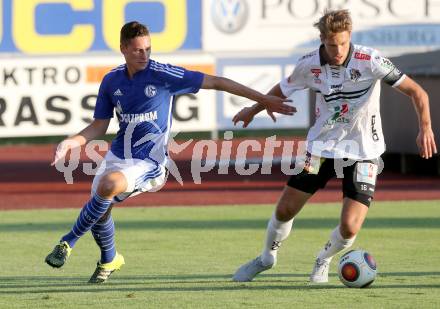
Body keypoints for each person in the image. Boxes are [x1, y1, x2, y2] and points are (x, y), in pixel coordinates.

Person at [45, 21, 294, 283]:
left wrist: (264, 100)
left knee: (106, 187)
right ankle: (110, 259)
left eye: (148, 49)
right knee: (99, 209)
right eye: (138, 50)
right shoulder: (111, 81)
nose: (145, 55)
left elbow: (217, 81)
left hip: (149, 161)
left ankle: (67, 243)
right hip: (118, 154)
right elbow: (99, 125)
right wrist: (72, 142)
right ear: (123, 49)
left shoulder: (163, 74)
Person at [232, 9, 437, 283]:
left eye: (342, 43)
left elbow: (417, 92)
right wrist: (254, 109)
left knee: (350, 226)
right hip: (321, 149)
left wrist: (425, 127)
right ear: (322, 40)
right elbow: (282, 89)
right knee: (285, 210)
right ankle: (266, 258)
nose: (338, 50)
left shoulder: (370, 60)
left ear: (350, 36)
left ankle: (323, 260)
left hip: (364, 152)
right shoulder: (308, 64)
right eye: (332, 45)